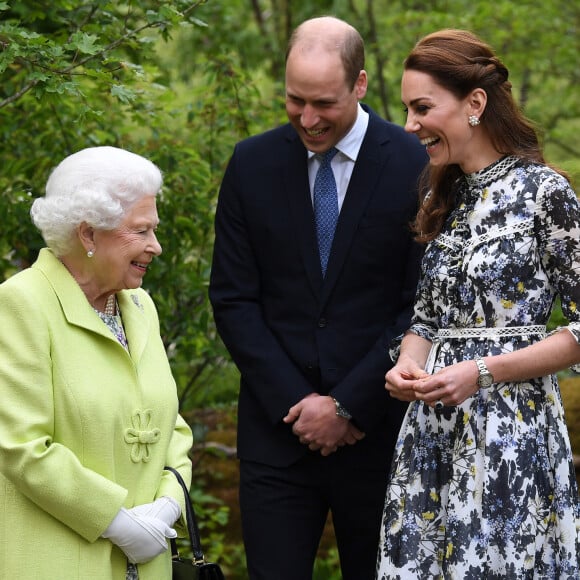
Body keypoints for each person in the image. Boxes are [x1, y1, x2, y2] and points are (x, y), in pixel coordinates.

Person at [209, 15, 427, 580]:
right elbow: (234, 299)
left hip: (382, 432)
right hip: (277, 434)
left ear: (358, 84)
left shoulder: (418, 163)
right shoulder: (251, 164)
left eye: (324, 103)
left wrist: (349, 404)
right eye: (294, 100)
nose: (307, 119)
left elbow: (421, 302)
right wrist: (302, 406)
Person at [376, 29, 580, 578]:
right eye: (407, 110)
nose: (410, 125)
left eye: (422, 108)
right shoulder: (443, 195)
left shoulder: (545, 193)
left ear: (474, 103)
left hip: (513, 433)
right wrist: (407, 364)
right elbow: (427, 317)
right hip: (433, 433)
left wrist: (484, 372)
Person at [0, 146, 193, 580]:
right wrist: (117, 522)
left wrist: (165, 509)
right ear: (88, 235)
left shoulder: (140, 305)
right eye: (141, 231)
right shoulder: (21, 304)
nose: (156, 247)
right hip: (58, 562)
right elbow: (21, 446)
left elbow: (172, 426)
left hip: (147, 562)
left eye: (154, 230)